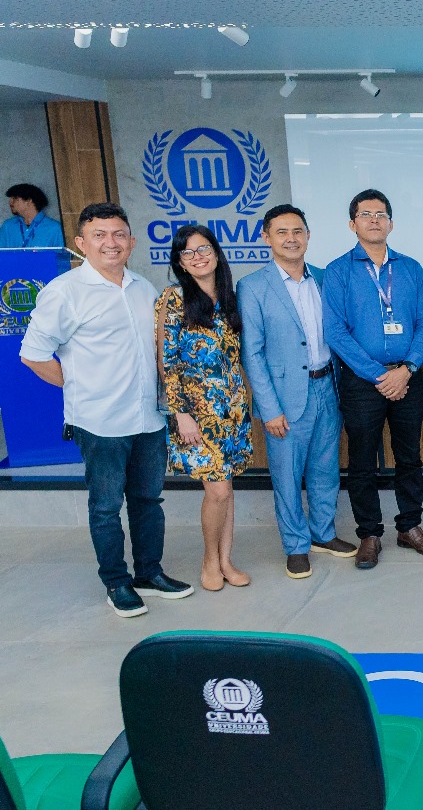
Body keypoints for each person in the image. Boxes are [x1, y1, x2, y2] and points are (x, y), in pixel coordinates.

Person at [19, 203, 192, 617]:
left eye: (119, 235)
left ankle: (149, 573)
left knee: (148, 500)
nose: (110, 243)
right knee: (105, 506)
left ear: (131, 241)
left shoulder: (143, 288)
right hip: (99, 422)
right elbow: (33, 354)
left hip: (148, 418)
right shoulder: (64, 292)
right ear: (81, 243)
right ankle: (116, 582)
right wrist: (79, 387)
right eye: (99, 235)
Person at [238, 204, 357, 579]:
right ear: (266, 237)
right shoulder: (253, 286)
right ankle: (296, 545)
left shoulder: (324, 278)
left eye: (298, 231)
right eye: (282, 232)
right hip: (285, 397)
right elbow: (252, 353)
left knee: (325, 470)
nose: (291, 239)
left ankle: (323, 534)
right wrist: (268, 408)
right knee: (287, 475)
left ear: (308, 235)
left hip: (328, 387)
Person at [322, 188, 423, 570]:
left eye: (381, 214)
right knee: (362, 460)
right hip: (362, 383)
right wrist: (377, 375)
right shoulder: (338, 271)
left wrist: (408, 369)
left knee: (409, 456)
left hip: (408, 376)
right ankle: (369, 534)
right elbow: (335, 332)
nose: (374, 220)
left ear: (391, 223)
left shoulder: (410, 268)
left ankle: (410, 527)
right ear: (352, 224)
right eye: (366, 214)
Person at [158, 225, 254, 591]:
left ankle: (227, 560)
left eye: (203, 249)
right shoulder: (173, 299)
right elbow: (167, 364)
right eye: (188, 252)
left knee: (227, 489)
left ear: (216, 252)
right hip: (196, 414)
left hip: (233, 410)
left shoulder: (230, 298)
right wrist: (181, 414)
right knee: (216, 490)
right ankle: (209, 559)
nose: (197, 257)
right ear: (180, 262)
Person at [2, 183, 63, 248]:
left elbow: (63, 257)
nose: (10, 202)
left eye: (15, 198)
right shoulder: (7, 226)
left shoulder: (55, 229)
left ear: (29, 201)